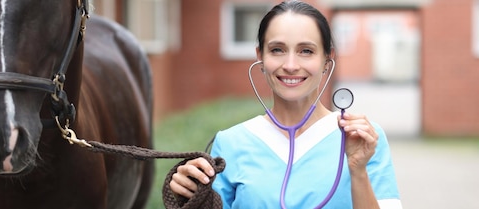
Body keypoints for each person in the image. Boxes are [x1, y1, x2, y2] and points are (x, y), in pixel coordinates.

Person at [168, 0, 402, 208]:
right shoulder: (230, 143)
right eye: (277, 50)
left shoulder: (363, 139)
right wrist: (189, 196)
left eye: (306, 51)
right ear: (260, 57)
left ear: (326, 61)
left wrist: (358, 172)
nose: (290, 64)